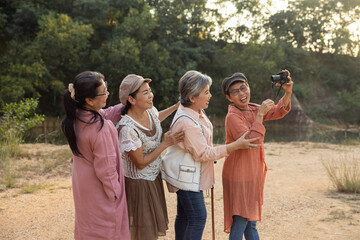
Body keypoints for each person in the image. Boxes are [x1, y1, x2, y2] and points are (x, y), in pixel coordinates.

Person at [162, 70, 261, 240]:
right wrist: (234, 146)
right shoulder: (187, 121)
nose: (210, 96)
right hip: (187, 178)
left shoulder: (195, 110)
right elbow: (203, 153)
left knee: (185, 216)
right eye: (206, 92)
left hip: (187, 175)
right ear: (192, 97)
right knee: (198, 217)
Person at [221, 71, 293, 240]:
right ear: (229, 97)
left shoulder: (252, 108)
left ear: (249, 88)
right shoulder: (233, 116)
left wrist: (287, 92)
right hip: (238, 175)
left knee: (250, 222)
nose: (241, 94)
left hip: (252, 173)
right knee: (240, 219)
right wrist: (260, 114)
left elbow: (278, 111)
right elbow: (252, 140)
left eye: (243, 88)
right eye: (235, 92)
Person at [61, 71, 130, 239]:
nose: (108, 94)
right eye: (104, 92)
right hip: (101, 192)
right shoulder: (101, 128)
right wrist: (116, 193)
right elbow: (106, 171)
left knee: (89, 230)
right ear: (89, 100)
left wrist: (127, 105)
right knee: (106, 232)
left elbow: (105, 113)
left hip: (85, 189)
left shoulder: (77, 117)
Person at [116, 74, 184, 240]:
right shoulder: (127, 129)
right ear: (131, 100)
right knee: (142, 232)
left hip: (153, 179)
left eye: (150, 91)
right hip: (138, 185)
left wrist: (176, 107)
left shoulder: (149, 111)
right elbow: (140, 163)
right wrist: (165, 144)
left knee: (149, 230)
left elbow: (156, 118)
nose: (151, 95)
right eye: (145, 92)